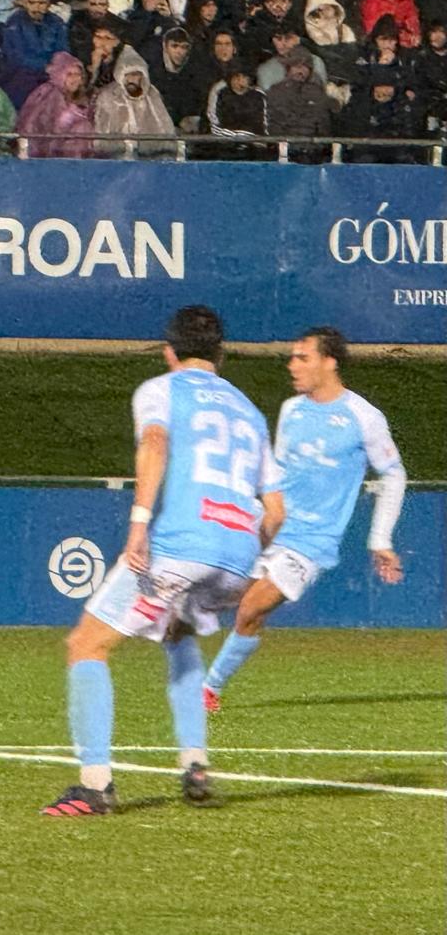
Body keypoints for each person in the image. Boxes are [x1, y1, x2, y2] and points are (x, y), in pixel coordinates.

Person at [41, 306, 278, 816]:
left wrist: (139, 521)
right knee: (179, 633)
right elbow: (276, 510)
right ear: (222, 355)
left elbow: (154, 441)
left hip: (179, 545)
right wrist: (246, 552)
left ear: (170, 352)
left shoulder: (161, 390)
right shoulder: (251, 412)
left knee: (87, 644)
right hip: (239, 557)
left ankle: (94, 786)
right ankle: (195, 763)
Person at [202, 328, 406, 712]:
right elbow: (277, 472)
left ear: (330, 362)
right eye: (292, 357)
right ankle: (200, 678)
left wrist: (381, 539)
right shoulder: (291, 410)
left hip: (312, 541)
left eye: (302, 357)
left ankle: (207, 689)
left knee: (251, 607)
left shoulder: (364, 418)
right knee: (223, 595)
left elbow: (393, 474)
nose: (291, 365)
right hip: (271, 525)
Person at [15, 50, 94, 156]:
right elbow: (33, 126)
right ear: (59, 74)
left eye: (78, 74)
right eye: (69, 74)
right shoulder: (46, 93)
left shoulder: (82, 98)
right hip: (47, 158)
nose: (74, 79)